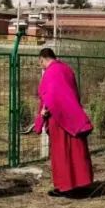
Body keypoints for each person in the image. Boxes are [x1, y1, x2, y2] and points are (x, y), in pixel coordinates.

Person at [34, 48, 94, 197]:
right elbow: (71, 92)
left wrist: (43, 114)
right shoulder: (67, 69)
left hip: (58, 118)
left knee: (61, 153)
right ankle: (83, 184)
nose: (41, 65)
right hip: (74, 114)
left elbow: (49, 95)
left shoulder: (50, 73)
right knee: (77, 151)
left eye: (40, 63)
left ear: (42, 59)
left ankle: (65, 186)